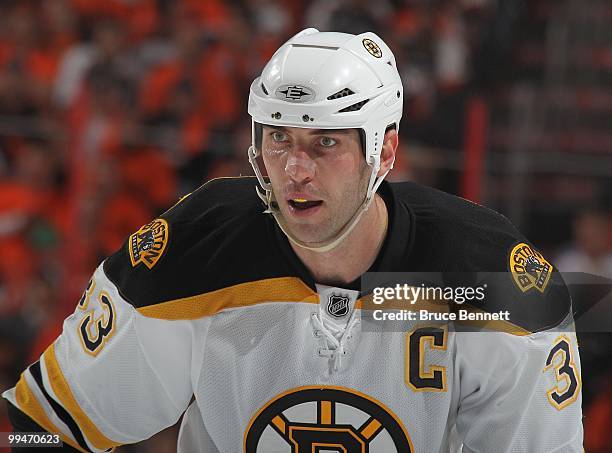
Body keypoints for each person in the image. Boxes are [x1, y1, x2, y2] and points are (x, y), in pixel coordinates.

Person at [3, 28, 583, 452]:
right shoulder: (195, 249)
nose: (295, 170)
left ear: (383, 150)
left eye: (326, 142)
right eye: (279, 138)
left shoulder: (488, 278)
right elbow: (41, 427)